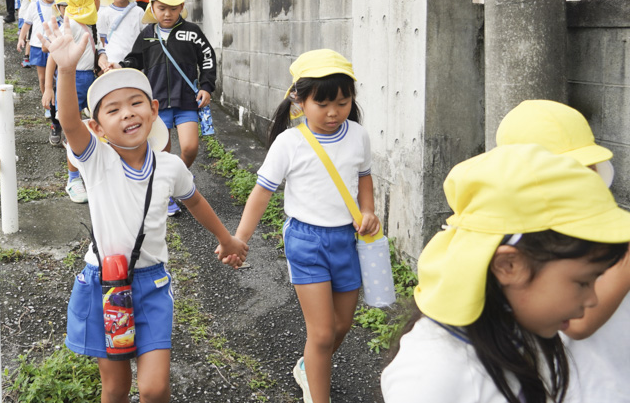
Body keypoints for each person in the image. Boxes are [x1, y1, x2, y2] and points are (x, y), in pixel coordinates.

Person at [42, 17, 248, 403]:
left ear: (153, 110)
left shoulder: (169, 166)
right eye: (113, 110)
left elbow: (196, 201)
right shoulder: (96, 159)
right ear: (99, 127)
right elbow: (69, 124)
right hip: (104, 281)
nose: (127, 114)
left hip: (151, 285)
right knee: (116, 388)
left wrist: (227, 239)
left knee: (154, 389)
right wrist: (66, 70)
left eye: (136, 103)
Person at [381, 144, 630, 403]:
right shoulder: (432, 375)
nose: (592, 299)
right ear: (509, 266)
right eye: (583, 282)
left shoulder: (520, 334)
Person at [231, 49, 379, 403]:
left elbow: (364, 178)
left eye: (343, 102)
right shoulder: (289, 142)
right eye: (323, 104)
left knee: (341, 326)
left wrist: (369, 211)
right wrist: (240, 238)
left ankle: (307, 366)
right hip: (306, 241)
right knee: (323, 333)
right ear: (299, 100)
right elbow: (261, 193)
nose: (333, 112)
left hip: (347, 240)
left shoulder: (358, 135)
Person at [494, 99, 630, 402]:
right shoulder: (521, 236)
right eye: (572, 170)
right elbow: (580, 324)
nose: (587, 176)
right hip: (582, 387)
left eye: (588, 166)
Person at [116, 0, 216, 217]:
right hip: (157, 103)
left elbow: (208, 60)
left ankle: (174, 182)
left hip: (186, 101)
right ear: (152, 7)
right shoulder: (147, 34)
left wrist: (207, 87)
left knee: (190, 148)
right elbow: (134, 60)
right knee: (162, 151)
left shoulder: (192, 32)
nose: (167, 13)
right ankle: (166, 191)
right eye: (161, 8)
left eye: (173, 8)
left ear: (181, 6)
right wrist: (119, 67)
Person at [42, 0, 102, 203]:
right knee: (73, 131)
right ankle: (73, 179)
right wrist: (49, 88)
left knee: (93, 129)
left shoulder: (90, 23)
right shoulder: (73, 24)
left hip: (90, 79)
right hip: (73, 80)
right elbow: (53, 59)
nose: (99, 0)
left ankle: (90, 172)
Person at [17, 0, 61, 136]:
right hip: (36, 46)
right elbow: (27, 24)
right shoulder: (35, 5)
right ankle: (48, 103)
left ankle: (58, 103)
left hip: (55, 46)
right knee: (43, 78)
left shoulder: (60, 6)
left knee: (58, 76)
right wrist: (21, 39)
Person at [97, 0, 142, 74]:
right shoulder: (104, 13)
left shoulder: (138, 12)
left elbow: (143, 37)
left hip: (133, 63)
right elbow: (101, 40)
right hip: (112, 64)